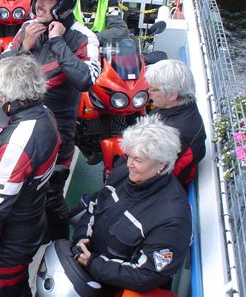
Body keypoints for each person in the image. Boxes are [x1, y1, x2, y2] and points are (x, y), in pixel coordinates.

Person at [1, 0, 100, 242]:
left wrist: (57, 42)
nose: (39, 4)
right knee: (19, 188)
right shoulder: (27, 28)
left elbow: (85, 79)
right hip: (20, 127)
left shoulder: (83, 37)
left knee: (52, 196)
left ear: (64, 3)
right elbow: (0, 71)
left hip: (57, 134)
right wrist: (23, 47)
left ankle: (59, 245)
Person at [0, 55, 60, 297]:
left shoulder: (20, 138)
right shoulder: (45, 114)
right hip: (32, 214)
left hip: (12, 238)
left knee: (6, 289)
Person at [73, 115, 192, 294]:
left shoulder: (173, 219)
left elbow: (145, 276)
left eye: (138, 160)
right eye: (128, 156)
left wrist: (93, 264)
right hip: (88, 269)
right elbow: (96, 204)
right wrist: (82, 237)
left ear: (162, 165)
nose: (129, 164)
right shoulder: (124, 172)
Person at [145, 59, 206, 188]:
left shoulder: (177, 133)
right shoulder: (176, 107)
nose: (149, 93)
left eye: (153, 90)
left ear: (173, 95)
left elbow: (152, 175)